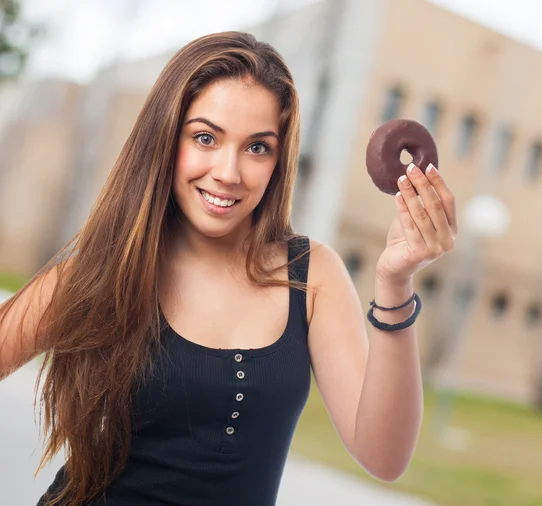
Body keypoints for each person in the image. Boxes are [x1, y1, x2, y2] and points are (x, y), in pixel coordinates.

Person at [0, 31, 458, 506]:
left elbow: (384, 457)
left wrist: (396, 281)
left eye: (257, 147)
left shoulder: (312, 275)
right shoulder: (103, 271)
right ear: (165, 137)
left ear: (279, 160)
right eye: (205, 138)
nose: (228, 172)